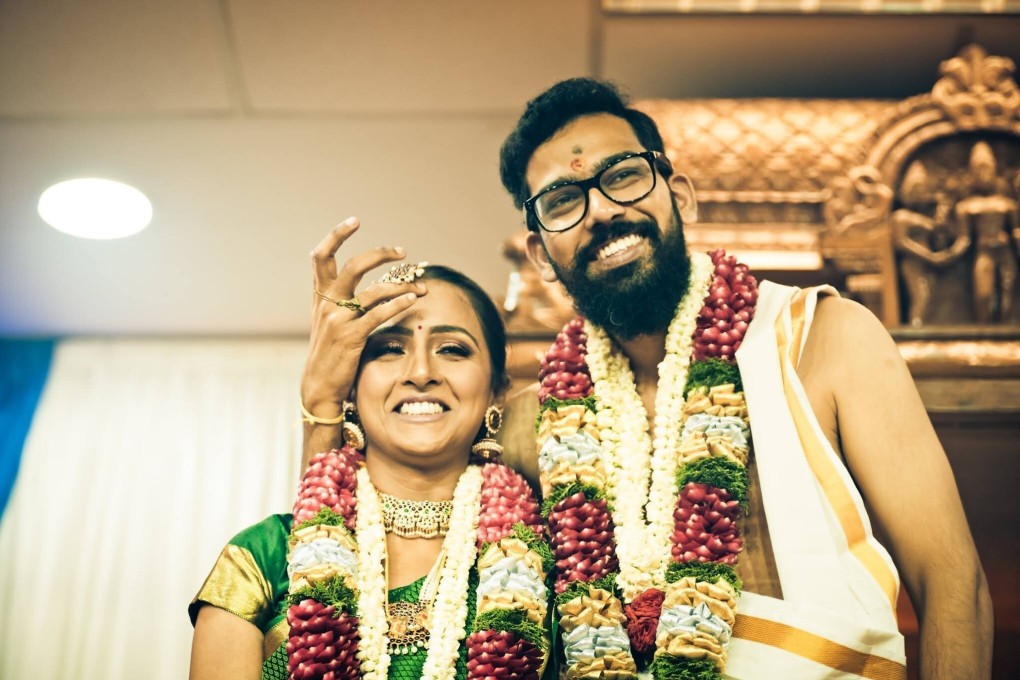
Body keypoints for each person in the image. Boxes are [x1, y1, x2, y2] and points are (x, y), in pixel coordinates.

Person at [494, 78, 992, 679]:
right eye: (561, 202)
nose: (601, 210)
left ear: (681, 197)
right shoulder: (531, 422)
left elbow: (952, 583)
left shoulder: (824, 340)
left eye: (623, 176)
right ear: (541, 256)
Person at [190, 222, 550, 679]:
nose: (421, 371)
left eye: (453, 349)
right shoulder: (265, 556)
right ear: (352, 386)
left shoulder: (550, 561)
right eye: (389, 349)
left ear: (497, 390)